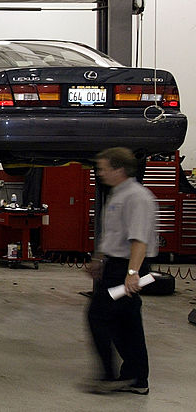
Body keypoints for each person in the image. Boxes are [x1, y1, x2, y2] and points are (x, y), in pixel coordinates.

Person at [85, 147, 155, 395]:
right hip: (116, 266)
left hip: (128, 269)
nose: (100, 173)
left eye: (103, 168)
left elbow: (139, 240)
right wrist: (100, 258)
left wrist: (132, 273)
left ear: (119, 169)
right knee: (127, 322)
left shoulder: (136, 197)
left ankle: (110, 376)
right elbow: (115, 233)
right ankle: (136, 378)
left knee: (98, 316)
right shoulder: (118, 194)